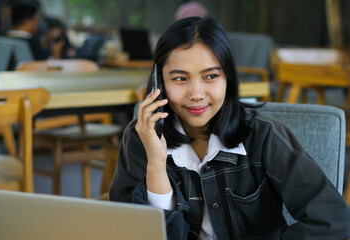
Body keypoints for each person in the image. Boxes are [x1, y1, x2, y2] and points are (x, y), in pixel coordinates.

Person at [109, 17, 350, 239]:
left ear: (229, 79)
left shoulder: (265, 136)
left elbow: (333, 221)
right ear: (158, 83)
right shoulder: (142, 136)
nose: (196, 94)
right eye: (180, 79)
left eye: (211, 76)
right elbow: (134, 233)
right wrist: (156, 165)